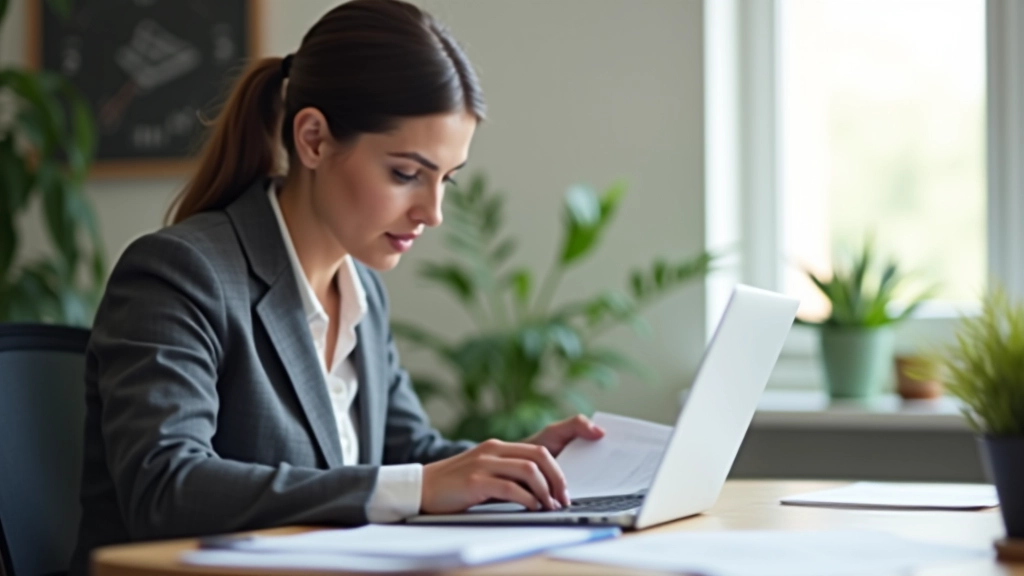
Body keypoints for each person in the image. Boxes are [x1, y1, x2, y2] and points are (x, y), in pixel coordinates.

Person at [68, 0, 606, 573]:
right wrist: (419, 486)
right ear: (314, 140)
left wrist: (519, 466)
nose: (433, 213)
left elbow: (410, 455)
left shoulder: (361, 291)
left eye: (445, 180)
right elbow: (166, 488)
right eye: (406, 174)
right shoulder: (179, 273)